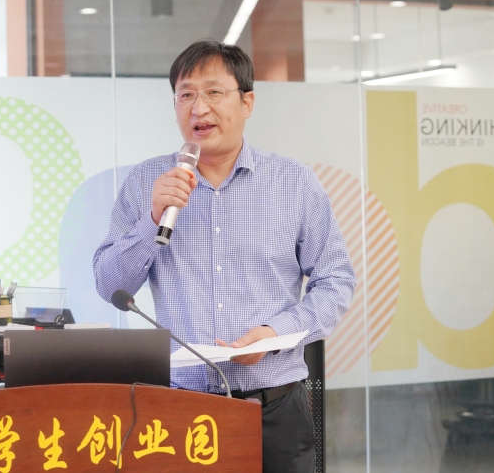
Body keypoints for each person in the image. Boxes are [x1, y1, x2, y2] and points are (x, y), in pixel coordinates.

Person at [93, 39, 355, 472]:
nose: (199, 108)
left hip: (274, 411)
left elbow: (336, 280)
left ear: (247, 102)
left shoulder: (294, 183)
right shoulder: (146, 183)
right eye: (186, 95)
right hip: (178, 409)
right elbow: (109, 286)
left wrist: (275, 332)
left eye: (214, 92)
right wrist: (152, 218)